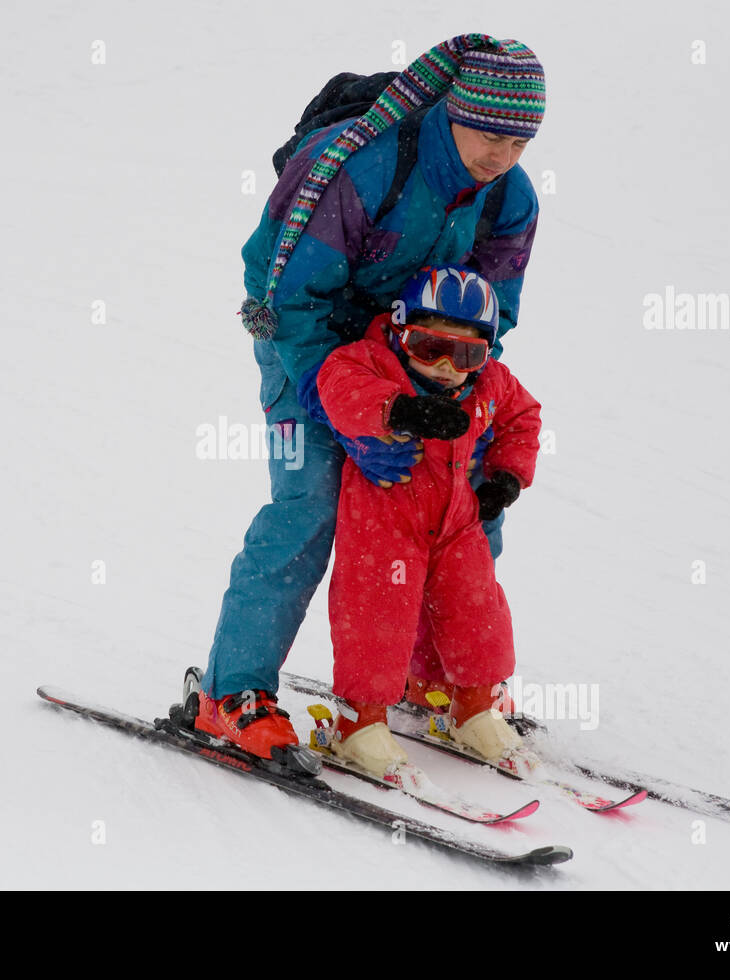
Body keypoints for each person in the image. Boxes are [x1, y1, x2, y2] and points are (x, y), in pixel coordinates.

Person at [195, 34, 546, 759]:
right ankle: (233, 693)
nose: (502, 156)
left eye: (520, 141)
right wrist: (355, 414)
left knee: (464, 503)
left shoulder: (510, 197)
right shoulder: (364, 170)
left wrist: (460, 410)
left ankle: (439, 680)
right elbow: (290, 304)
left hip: (422, 359)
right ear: (455, 111)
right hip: (303, 344)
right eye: (490, 133)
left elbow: (492, 312)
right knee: (312, 505)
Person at [311, 265, 541, 778]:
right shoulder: (372, 364)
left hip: (458, 521)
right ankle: (360, 724)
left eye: (465, 354)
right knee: (377, 615)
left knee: (476, 611)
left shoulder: (490, 383)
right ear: (399, 331)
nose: (445, 367)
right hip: (383, 519)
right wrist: (399, 412)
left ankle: (473, 707)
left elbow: (521, 419)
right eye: (428, 346)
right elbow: (338, 386)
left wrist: (506, 477)